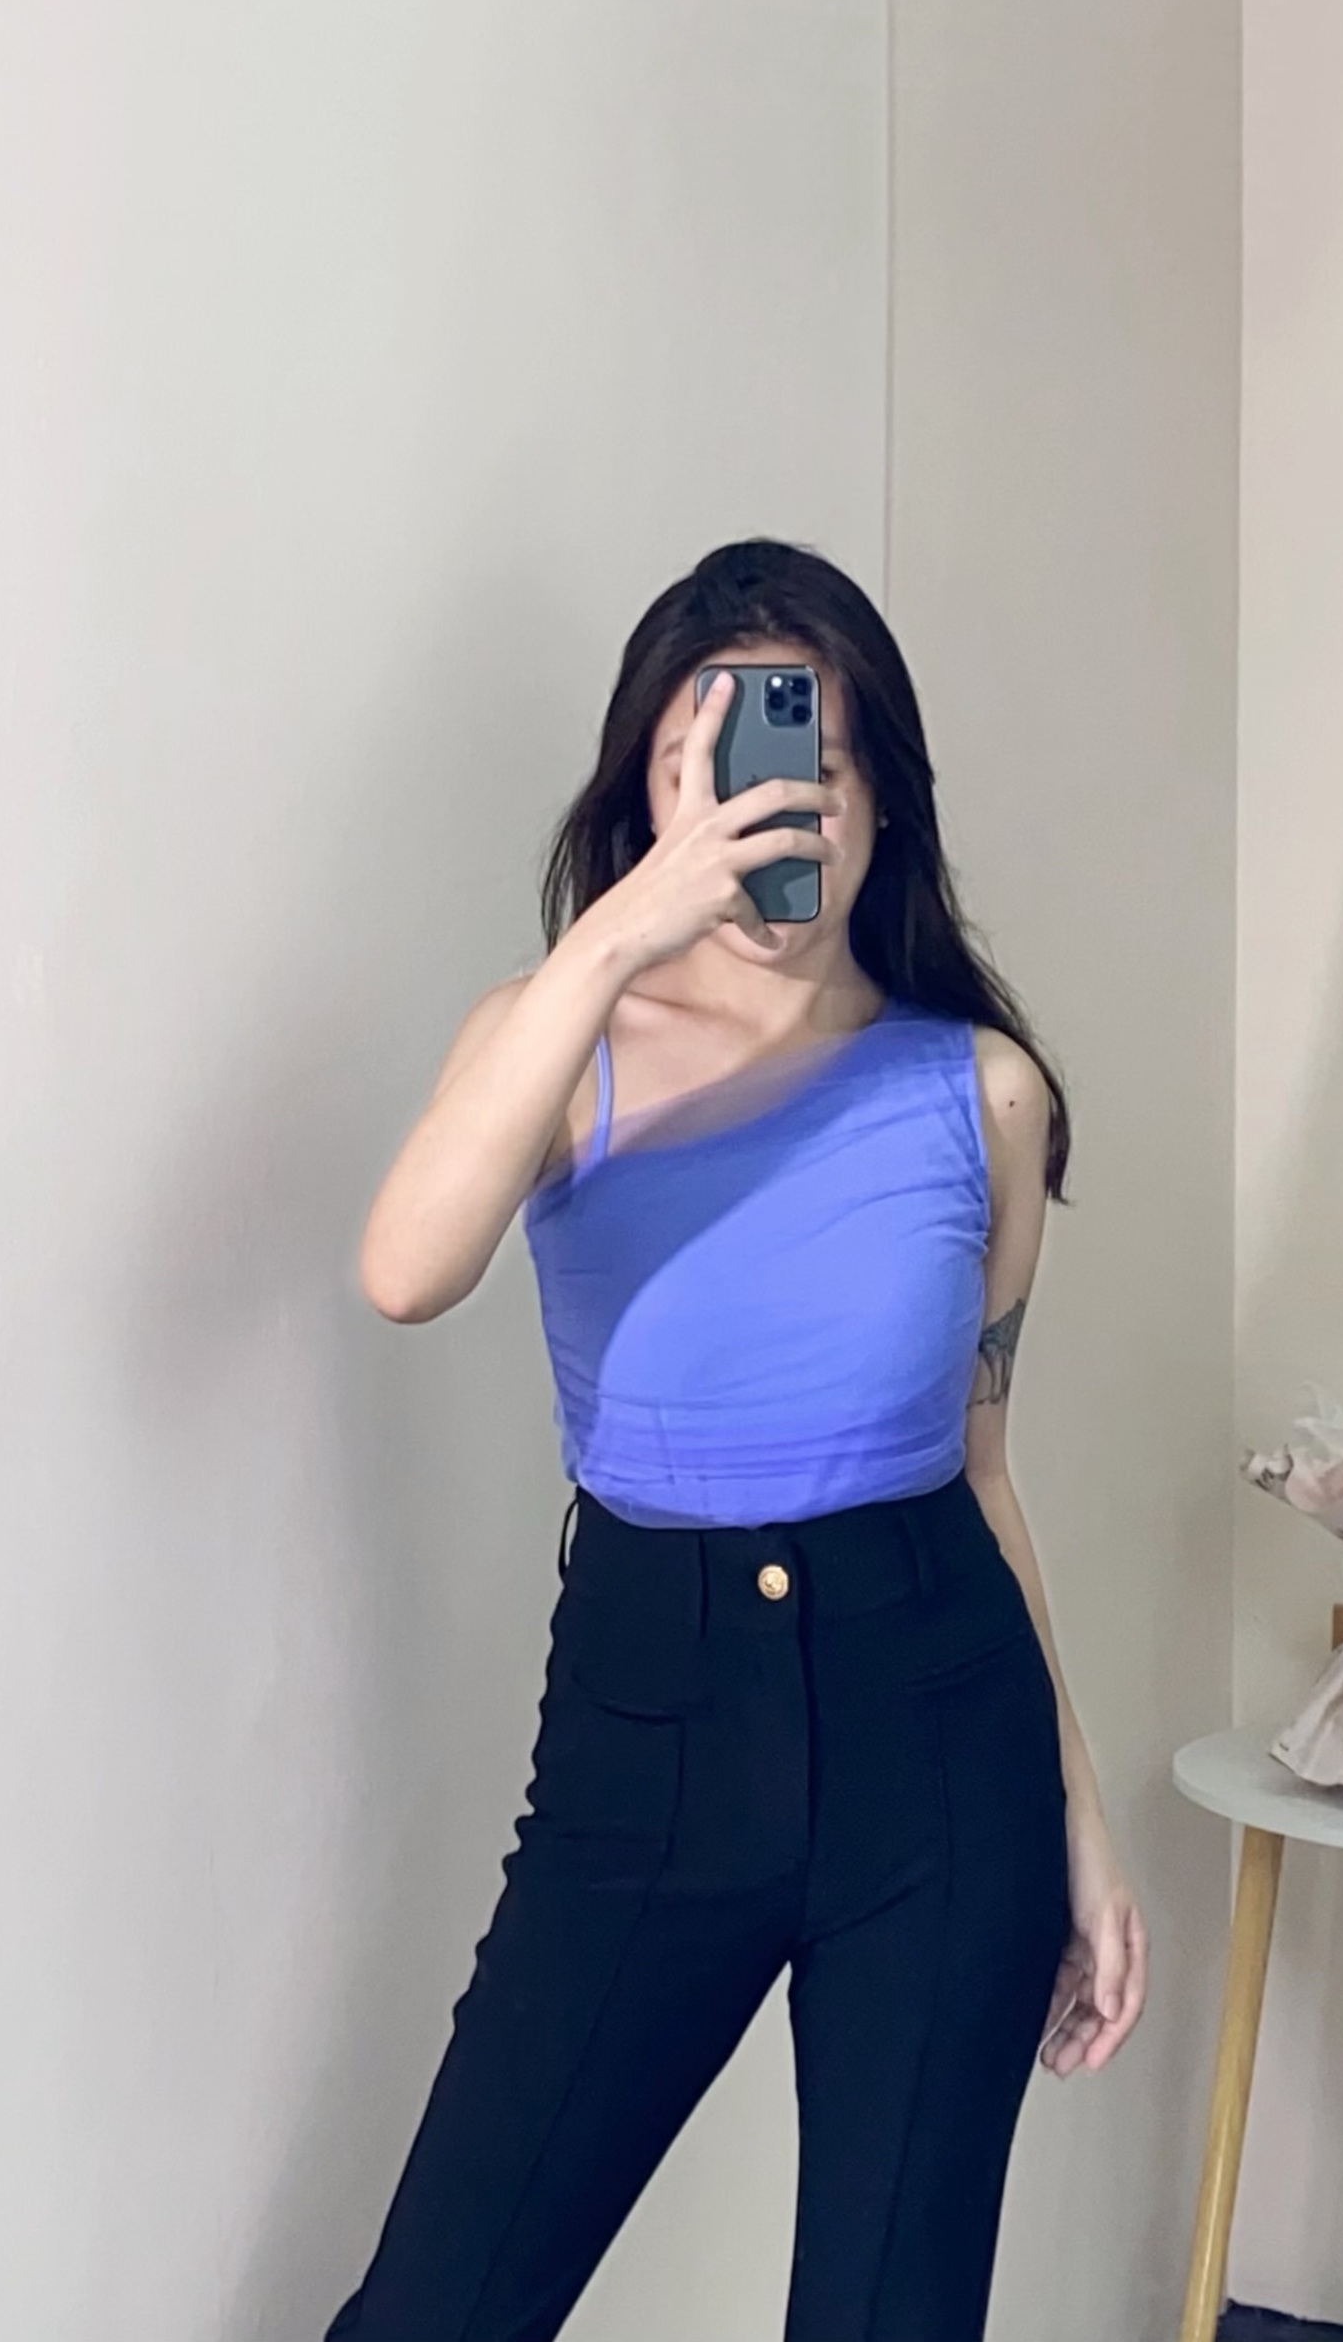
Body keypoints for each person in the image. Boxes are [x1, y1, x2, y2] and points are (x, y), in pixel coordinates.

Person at [327, 539, 1148, 2341]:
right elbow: (403, 1271)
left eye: (817, 764)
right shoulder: (555, 1044)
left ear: (883, 799)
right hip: (654, 1727)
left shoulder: (981, 1091)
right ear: (653, 793)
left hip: (941, 1733)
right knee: (439, 2304)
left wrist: (1079, 1820)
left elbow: (983, 1468)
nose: (778, 808)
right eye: (717, 768)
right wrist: (630, 926)